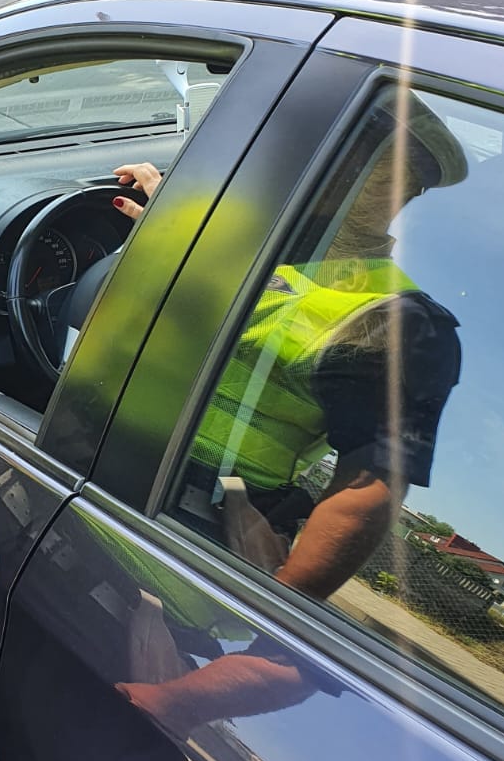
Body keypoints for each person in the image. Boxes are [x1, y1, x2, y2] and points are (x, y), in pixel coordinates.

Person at [111, 94, 466, 607]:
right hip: (99, 471)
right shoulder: (237, 238)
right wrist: (180, 228)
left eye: (362, 158)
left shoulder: (397, 317)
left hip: (186, 548)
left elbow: (368, 489)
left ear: (404, 188)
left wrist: (268, 639)